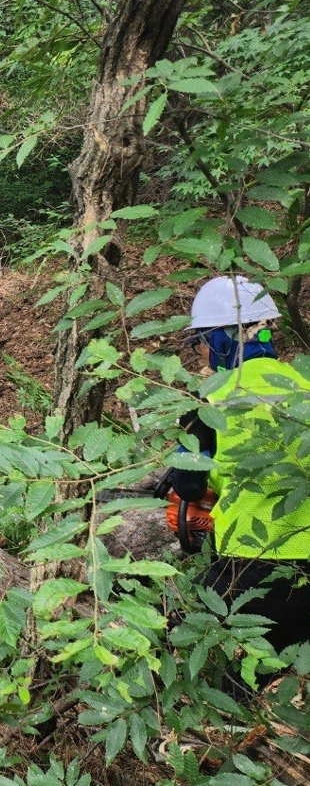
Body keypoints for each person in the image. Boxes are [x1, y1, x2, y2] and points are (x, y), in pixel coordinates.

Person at [168, 274, 310, 691]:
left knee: (213, 657)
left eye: (205, 343)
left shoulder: (209, 403)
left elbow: (189, 488)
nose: (204, 356)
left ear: (225, 340)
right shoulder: (303, 387)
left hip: (250, 565)